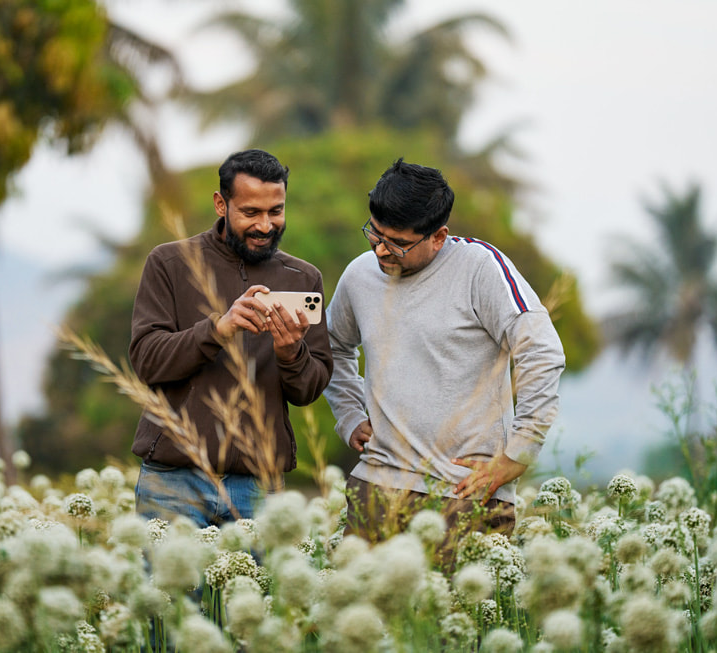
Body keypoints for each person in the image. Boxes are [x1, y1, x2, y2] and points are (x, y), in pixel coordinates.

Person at [323, 158, 566, 556]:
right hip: (376, 488)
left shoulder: (479, 269)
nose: (381, 249)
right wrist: (349, 415)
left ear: (438, 236)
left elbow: (541, 351)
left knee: (459, 617)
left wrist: (518, 454)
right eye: (374, 233)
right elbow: (332, 345)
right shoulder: (359, 275)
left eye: (398, 242)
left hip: (465, 494)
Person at [129, 149, 333, 528]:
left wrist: (291, 353)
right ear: (221, 204)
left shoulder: (303, 278)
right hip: (173, 480)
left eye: (276, 210)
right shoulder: (169, 263)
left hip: (260, 486)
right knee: (166, 591)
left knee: (255, 590)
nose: (266, 225)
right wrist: (218, 330)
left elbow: (309, 390)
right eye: (251, 213)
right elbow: (146, 361)